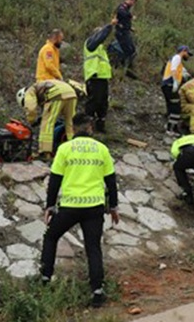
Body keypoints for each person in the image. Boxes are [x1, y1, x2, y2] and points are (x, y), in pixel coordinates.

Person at [40, 113, 119, 308]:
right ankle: (97, 291)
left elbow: (55, 180)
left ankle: (45, 278)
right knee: (93, 247)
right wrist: (114, 207)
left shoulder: (65, 149)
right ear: (90, 127)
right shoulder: (102, 149)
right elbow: (111, 181)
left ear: (73, 128)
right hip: (94, 208)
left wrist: (50, 206)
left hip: (70, 207)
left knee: (51, 237)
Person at [16, 79, 78, 160]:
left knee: (47, 124)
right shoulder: (41, 88)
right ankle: (74, 148)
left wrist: (31, 120)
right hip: (71, 93)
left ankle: (45, 153)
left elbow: (30, 108)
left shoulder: (30, 91)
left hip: (56, 94)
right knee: (70, 123)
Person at [84, 18, 118, 133]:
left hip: (102, 78)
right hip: (94, 77)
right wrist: (109, 26)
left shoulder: (101, 49)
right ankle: (87, 126)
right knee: (94, 101)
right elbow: (101, 37)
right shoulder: (90, 44)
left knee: (103, 103)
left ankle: (100, 126)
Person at [161, 45, 193, 136]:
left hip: (166, 85)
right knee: (176, 108)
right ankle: (170, 129)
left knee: (171, 107)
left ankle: (170, 126)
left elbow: (182, 71)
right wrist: (175, 82)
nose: (188, 56)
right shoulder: (177, 57)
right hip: (170, 84)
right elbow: (173, 70)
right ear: (183, 51)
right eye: (187, 54)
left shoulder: (176, 60)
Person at [114, 0, 137, 71]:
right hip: (121, 33)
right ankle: (120, 66)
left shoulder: (127, 8)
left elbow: (124, 21)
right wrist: (130, 16)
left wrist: (130, 28)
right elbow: (121, 13)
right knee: (128, 50)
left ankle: (127, 66)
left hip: (126, 32)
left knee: (133, 50)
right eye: (133, 2)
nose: (133, 4)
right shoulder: (122, 7)